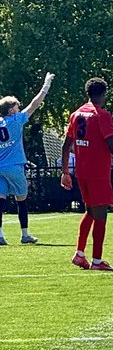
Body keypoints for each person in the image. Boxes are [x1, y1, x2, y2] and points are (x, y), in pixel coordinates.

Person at [60, 77, 113, 270]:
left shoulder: (76, 114)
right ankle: (96, 261)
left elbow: (65, 146)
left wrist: (65, 172)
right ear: (103, 94)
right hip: (98, 172)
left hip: (82, 172)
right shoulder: (102, 115)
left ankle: (79, 254)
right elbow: (112, 144)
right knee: (101, 214)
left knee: (90, 212)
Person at [0, 72, 54, 245]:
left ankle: (0, 235)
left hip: (0, 167)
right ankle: (24, 235)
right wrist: (46, 85)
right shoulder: (15, 120)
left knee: (1, 199)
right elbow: (35, 104)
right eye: (16, 107)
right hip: (14, 166)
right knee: (21, 200)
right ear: (11, 110)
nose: (19, 109)